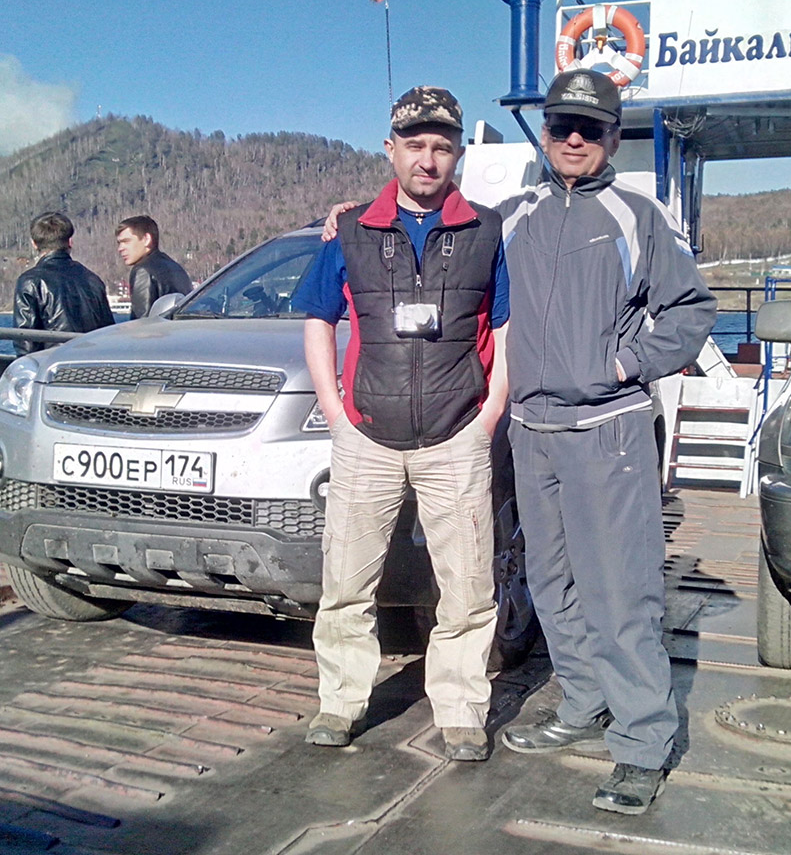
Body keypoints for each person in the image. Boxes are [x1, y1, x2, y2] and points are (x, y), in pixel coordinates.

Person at [495, 70, 717, 815]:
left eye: (590, 128)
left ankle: (642, 744)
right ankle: (584, 701)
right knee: (551, 584)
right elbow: (438, 240)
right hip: (530, 431)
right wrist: (347, 221)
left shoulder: (637, 216)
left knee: (620, 592)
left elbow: (690, 310)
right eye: (562, 125)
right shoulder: (512, 215)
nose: (574, 139)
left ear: (614, 137)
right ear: (546, 133)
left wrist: (624, 364)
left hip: (606, 432)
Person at [291, 86, 510, 762]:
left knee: (468, 591)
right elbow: (318, 321)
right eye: (415, 145)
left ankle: (462, 711)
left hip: (456, 436)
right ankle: (339, 703)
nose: (428, 159)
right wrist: (335, 413)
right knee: (345, 586)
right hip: (366, 437)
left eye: (442, 147)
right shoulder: (350, 231)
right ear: (391, 150)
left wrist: (488, 416)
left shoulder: (487, 231)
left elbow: (507, 329)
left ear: (458, 154)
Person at [12, 211, 116, 355]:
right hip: (92, 361)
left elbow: (25, 341)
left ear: (34, 244)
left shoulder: (30, 281)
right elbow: (108, 331)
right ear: (70, 242)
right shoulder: (93, 279)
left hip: (54, 362)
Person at [115, 215, 192, 319]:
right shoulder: (176, 268)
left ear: (146, 239)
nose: (120, 248)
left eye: (126, 241)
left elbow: (142, 321)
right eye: (119, 243)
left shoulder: (143, 271)